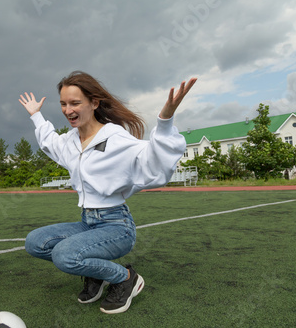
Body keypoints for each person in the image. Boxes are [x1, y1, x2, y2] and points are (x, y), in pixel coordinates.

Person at [19, 71, 196, 314]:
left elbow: (153, 163)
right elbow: (50, 142)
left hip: (116, 226)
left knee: (64, 256)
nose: (67, 110)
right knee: (35, 243)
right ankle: (95, 273)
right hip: (87, 222)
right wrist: (36, 115)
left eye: (75, 103)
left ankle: (125, 278)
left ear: (94, 103)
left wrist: (165, 119)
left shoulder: (114, 137)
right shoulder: (71, 140)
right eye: (63, 103)